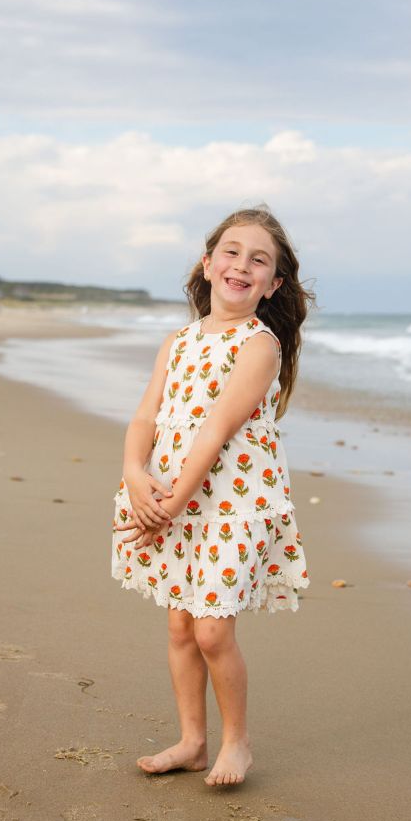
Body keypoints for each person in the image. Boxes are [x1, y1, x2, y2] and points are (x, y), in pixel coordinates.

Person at [111, 205, 313, 787]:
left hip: (231, 505)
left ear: (273, 284)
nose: (241, 265)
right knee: (179, 628)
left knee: (211, 630)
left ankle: (237, 743)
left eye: (259, 260)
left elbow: (216, 429)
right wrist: (134, 474)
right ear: (207, 264)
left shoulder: (259, 345)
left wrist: (168, 506)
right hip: (171, 496)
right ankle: (192, 741)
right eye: (231, 251)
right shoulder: (178, 341)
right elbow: (145, 417)